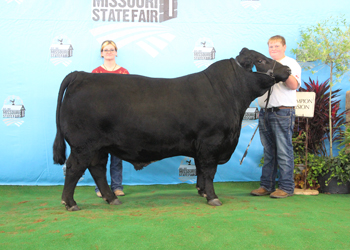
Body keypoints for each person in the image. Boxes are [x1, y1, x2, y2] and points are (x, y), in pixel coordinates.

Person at [251, 35, 301, 198]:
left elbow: (294, 85)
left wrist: (283, 73)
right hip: (265, 112)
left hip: (283, 112)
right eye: (271, 47)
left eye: (277, 46)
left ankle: (286, 187)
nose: (273, 49)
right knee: (269, 151)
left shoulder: (291, 63)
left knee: (284, 150)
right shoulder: (263, 65)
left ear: (284, 47)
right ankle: (267, 185)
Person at [92, 40, 129, 197]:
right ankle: (100, 187)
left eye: (111, 49)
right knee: (99, 155)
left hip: (118, 119)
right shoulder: (95, 73)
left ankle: (117, 186)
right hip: (100, 120)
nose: (108, 52)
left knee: (117, 155)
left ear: (116, 52)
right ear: (101, 53)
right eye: (105, 50)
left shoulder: (124, 73)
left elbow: (128, 97)